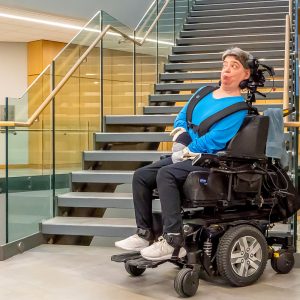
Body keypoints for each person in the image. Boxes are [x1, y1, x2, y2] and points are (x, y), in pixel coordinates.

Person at [115, 47, 252, 261]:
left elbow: (215, 139)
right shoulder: (203, 92)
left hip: (207, 161)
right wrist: (180, 142)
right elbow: (181, 117)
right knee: (141, 176)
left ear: (245, 74)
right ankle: (144, 233)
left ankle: (172, 239)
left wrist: (189, 150)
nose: (226, 70)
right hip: (184, 152)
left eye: (234, 67)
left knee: (166, 174)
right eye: (224, 65)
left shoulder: (238, 108)